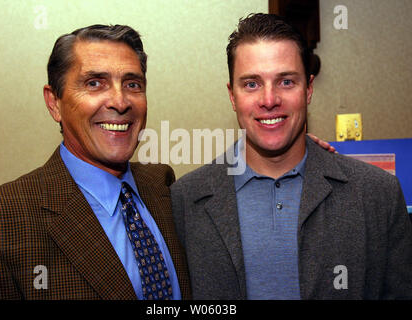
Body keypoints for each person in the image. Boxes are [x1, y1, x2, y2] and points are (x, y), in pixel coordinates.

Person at [171, 14, 412, 299]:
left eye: (286, 81)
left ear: (308, 89)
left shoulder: (378, 194)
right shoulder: (185, 200)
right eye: (251, 84)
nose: (269, 99)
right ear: (232, 96)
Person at [0, 24, 190, 300]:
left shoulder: (163, 185)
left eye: (132, 84)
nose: (120, 101)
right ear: (54, 103)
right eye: (94, 83)